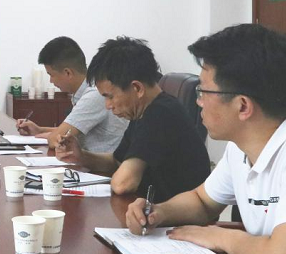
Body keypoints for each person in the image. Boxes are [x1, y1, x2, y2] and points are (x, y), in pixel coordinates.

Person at [125, 24, 286, 254]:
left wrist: (221, 237)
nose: (198, 101)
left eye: (203, 92)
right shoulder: (241, 145)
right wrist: (158, 212)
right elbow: (202, 201)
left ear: (242, 106)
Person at [57, 36, 209, 202]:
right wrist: (81, 156)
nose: (108, 105)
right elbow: (116, 161)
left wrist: (118, 175)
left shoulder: (161, 114)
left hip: (174, 215)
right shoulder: (143, 111)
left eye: (110, 96)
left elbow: (123, 184)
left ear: (137, 88)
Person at [17, 36, 128, 152]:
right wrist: (39, 130)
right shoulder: (83, 91)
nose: (51, 81)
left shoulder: (94, 94)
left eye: (51, 75)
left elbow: (55, 139)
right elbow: (72, 129)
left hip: (105, 162)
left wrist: (52, 135)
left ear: (68, 73)